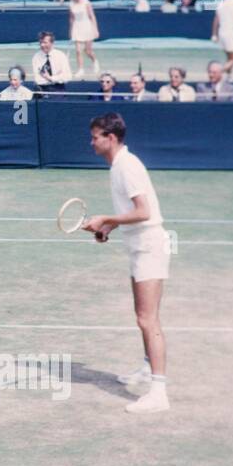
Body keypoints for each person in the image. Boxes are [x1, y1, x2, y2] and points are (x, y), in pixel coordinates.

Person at [82, 113, 171, 414]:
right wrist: (108, 228)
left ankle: (159, 393)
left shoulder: (127, 167)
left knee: (148, 320)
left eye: (95, 136)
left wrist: (105, 218)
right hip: (138, 246)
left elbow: (143, 211)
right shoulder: (118, 166)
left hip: (149, 247)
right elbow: (131, 213)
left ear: (111, 137)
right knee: (141, 316)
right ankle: (148, 369)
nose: (91, 142)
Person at [67, 0, 101, 77]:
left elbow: (92, 16)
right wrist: (70, 30)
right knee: (78, 51)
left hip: (87, 27)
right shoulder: (71, 5)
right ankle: (80, 70)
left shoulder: (86, 3)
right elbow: (71, 18)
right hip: (77, 28)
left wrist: (95, 29)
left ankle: (95, 61)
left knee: (88, 51)